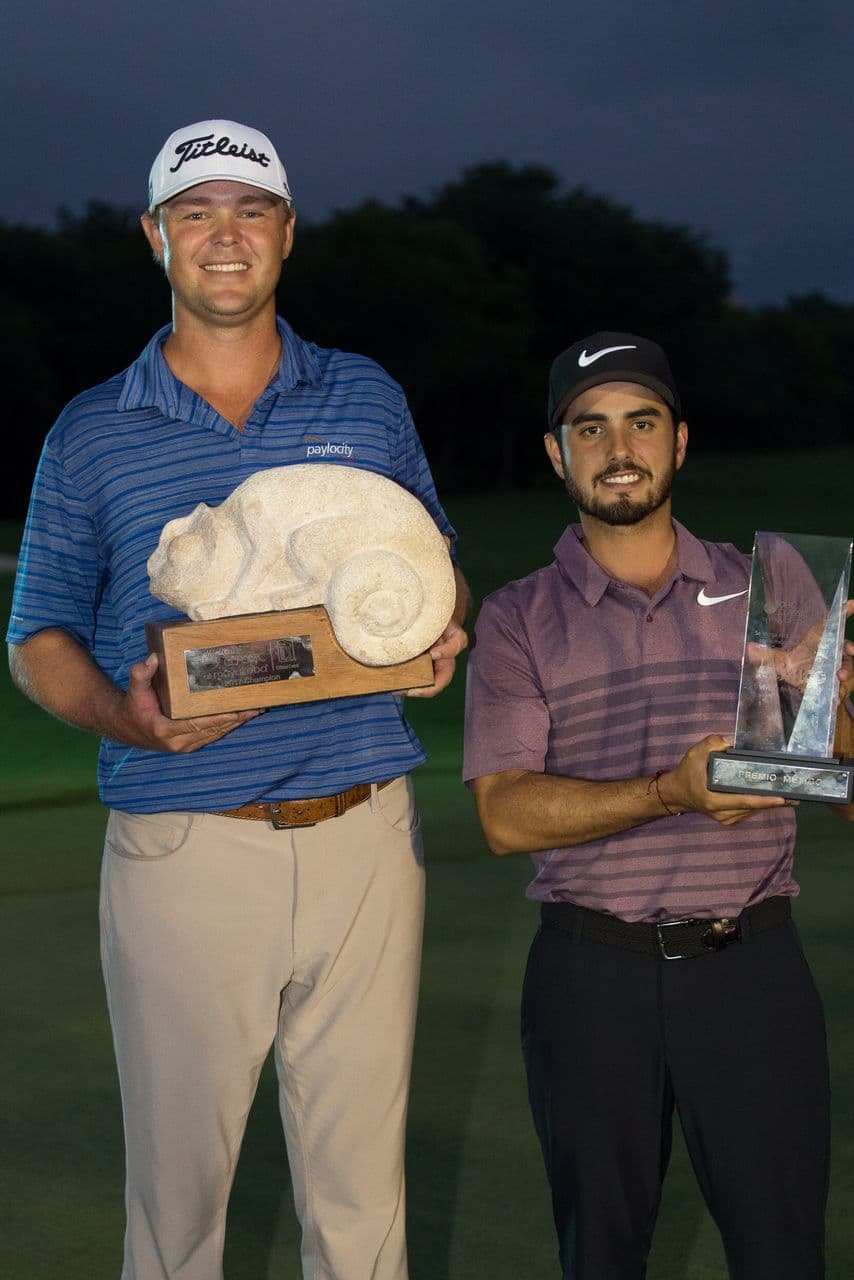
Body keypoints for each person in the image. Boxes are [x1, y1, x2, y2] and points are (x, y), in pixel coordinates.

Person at [7, 119, 469, 1280]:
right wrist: (128, 715)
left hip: (365, 832)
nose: (225, 235)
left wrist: (437, 622)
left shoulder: (362, 395)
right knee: (179, 1207)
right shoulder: (90, 432)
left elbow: (434, 563)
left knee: (363, 1198)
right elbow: (38, 639)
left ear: (287, 233)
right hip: (186, 845)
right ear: (155, 235)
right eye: (196, 211)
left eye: (250, 209)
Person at [462, 331, 854, 1280]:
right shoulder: (515, 616)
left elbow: (836, 783)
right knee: (601, 1254)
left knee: (780, 1251)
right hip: (590, 977)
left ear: (680, 441)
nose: (618, 447)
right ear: (557, 454)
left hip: (752, 971)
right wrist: (667, 795)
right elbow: (506, 816)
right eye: (589, 429)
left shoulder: (774, 581)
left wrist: (845, 716)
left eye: (642, 421)